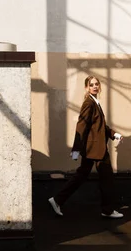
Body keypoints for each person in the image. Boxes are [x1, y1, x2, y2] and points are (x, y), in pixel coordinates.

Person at [48, 75, 124, 219]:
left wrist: (115, 135)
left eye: (96, 84)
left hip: (93, 149)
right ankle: (107, 210)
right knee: (106, 178)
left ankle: (57, 200)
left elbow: (100, 127)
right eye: (91, 85)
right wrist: (76, 149)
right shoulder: (89, 103)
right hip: (95, 149)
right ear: (86, 88)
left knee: (82, 176)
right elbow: (81, 126)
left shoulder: (95, 102)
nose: (95, 86)